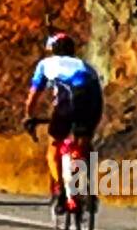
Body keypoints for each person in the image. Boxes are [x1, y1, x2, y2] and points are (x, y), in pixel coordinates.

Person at [23, 31, 103, 210]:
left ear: (53, 50)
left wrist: (29, 116)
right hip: (93, 101)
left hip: (67, 104)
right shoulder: (86, 66)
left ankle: (59, 192)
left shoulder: (45, 64)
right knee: (84, 144)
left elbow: (34, 95)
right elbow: (97, 91)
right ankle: (89, 189)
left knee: (54, 146)